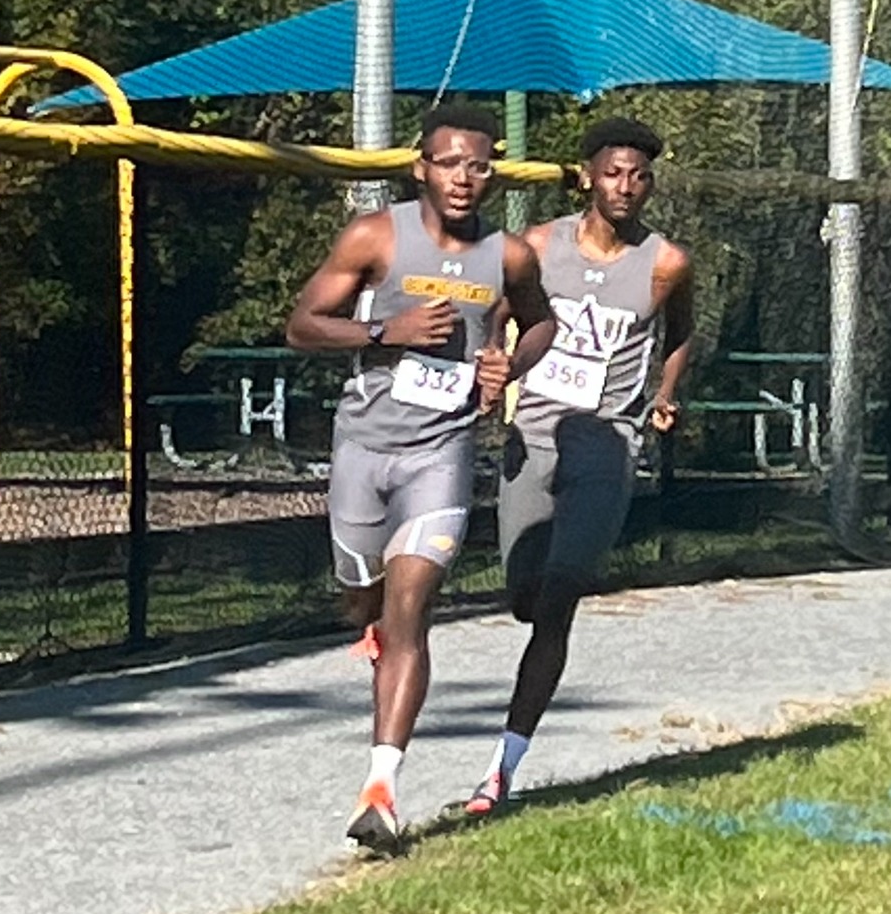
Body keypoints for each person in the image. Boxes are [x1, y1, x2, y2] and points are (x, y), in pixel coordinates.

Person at [286, 103, 555, 853]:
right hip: (364, 449)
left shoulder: (508, 256)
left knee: (412, 608)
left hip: (442, 453)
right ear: (420, 168)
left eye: (479, 165)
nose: (464, 178)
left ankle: (381, 790)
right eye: (450, 163)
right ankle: (370, 626)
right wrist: (385, 331)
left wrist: (509, 364)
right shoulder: (375, 237)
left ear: (493, 174)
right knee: (363, 597)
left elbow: (541, 322)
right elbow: (302, 324)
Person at [461, 116, 695, 817]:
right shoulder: (538, 246)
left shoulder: (665, 263)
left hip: (607, 442)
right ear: (589, 176)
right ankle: (535, 601)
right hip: (534, 433)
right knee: (525, 596)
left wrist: (664, 394)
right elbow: (499, 313)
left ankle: (502, 767)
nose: (626, 187)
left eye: (640, 177)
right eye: (614, 173)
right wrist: (493, 368)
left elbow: (680, 331)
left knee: (560, 596)